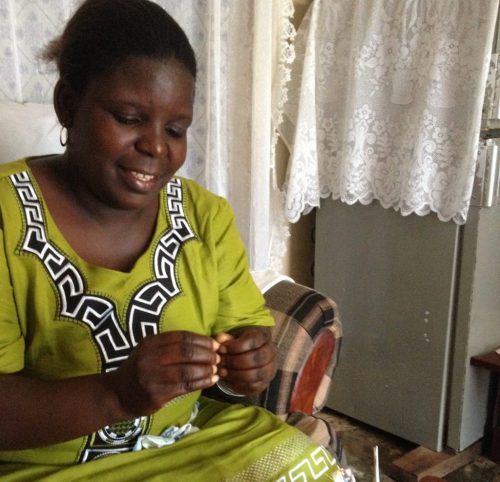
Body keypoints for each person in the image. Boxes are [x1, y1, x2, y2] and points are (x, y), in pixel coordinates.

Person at [0, 0, 348, 480]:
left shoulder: (204, 216)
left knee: (301, 465)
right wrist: (116, 395)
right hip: (50, 467)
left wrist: (252, 359)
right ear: (68, 105)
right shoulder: (5, 217)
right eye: (128, 117)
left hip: (189, 440)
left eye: (176, 129)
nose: (157, 147)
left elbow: (248, 328)